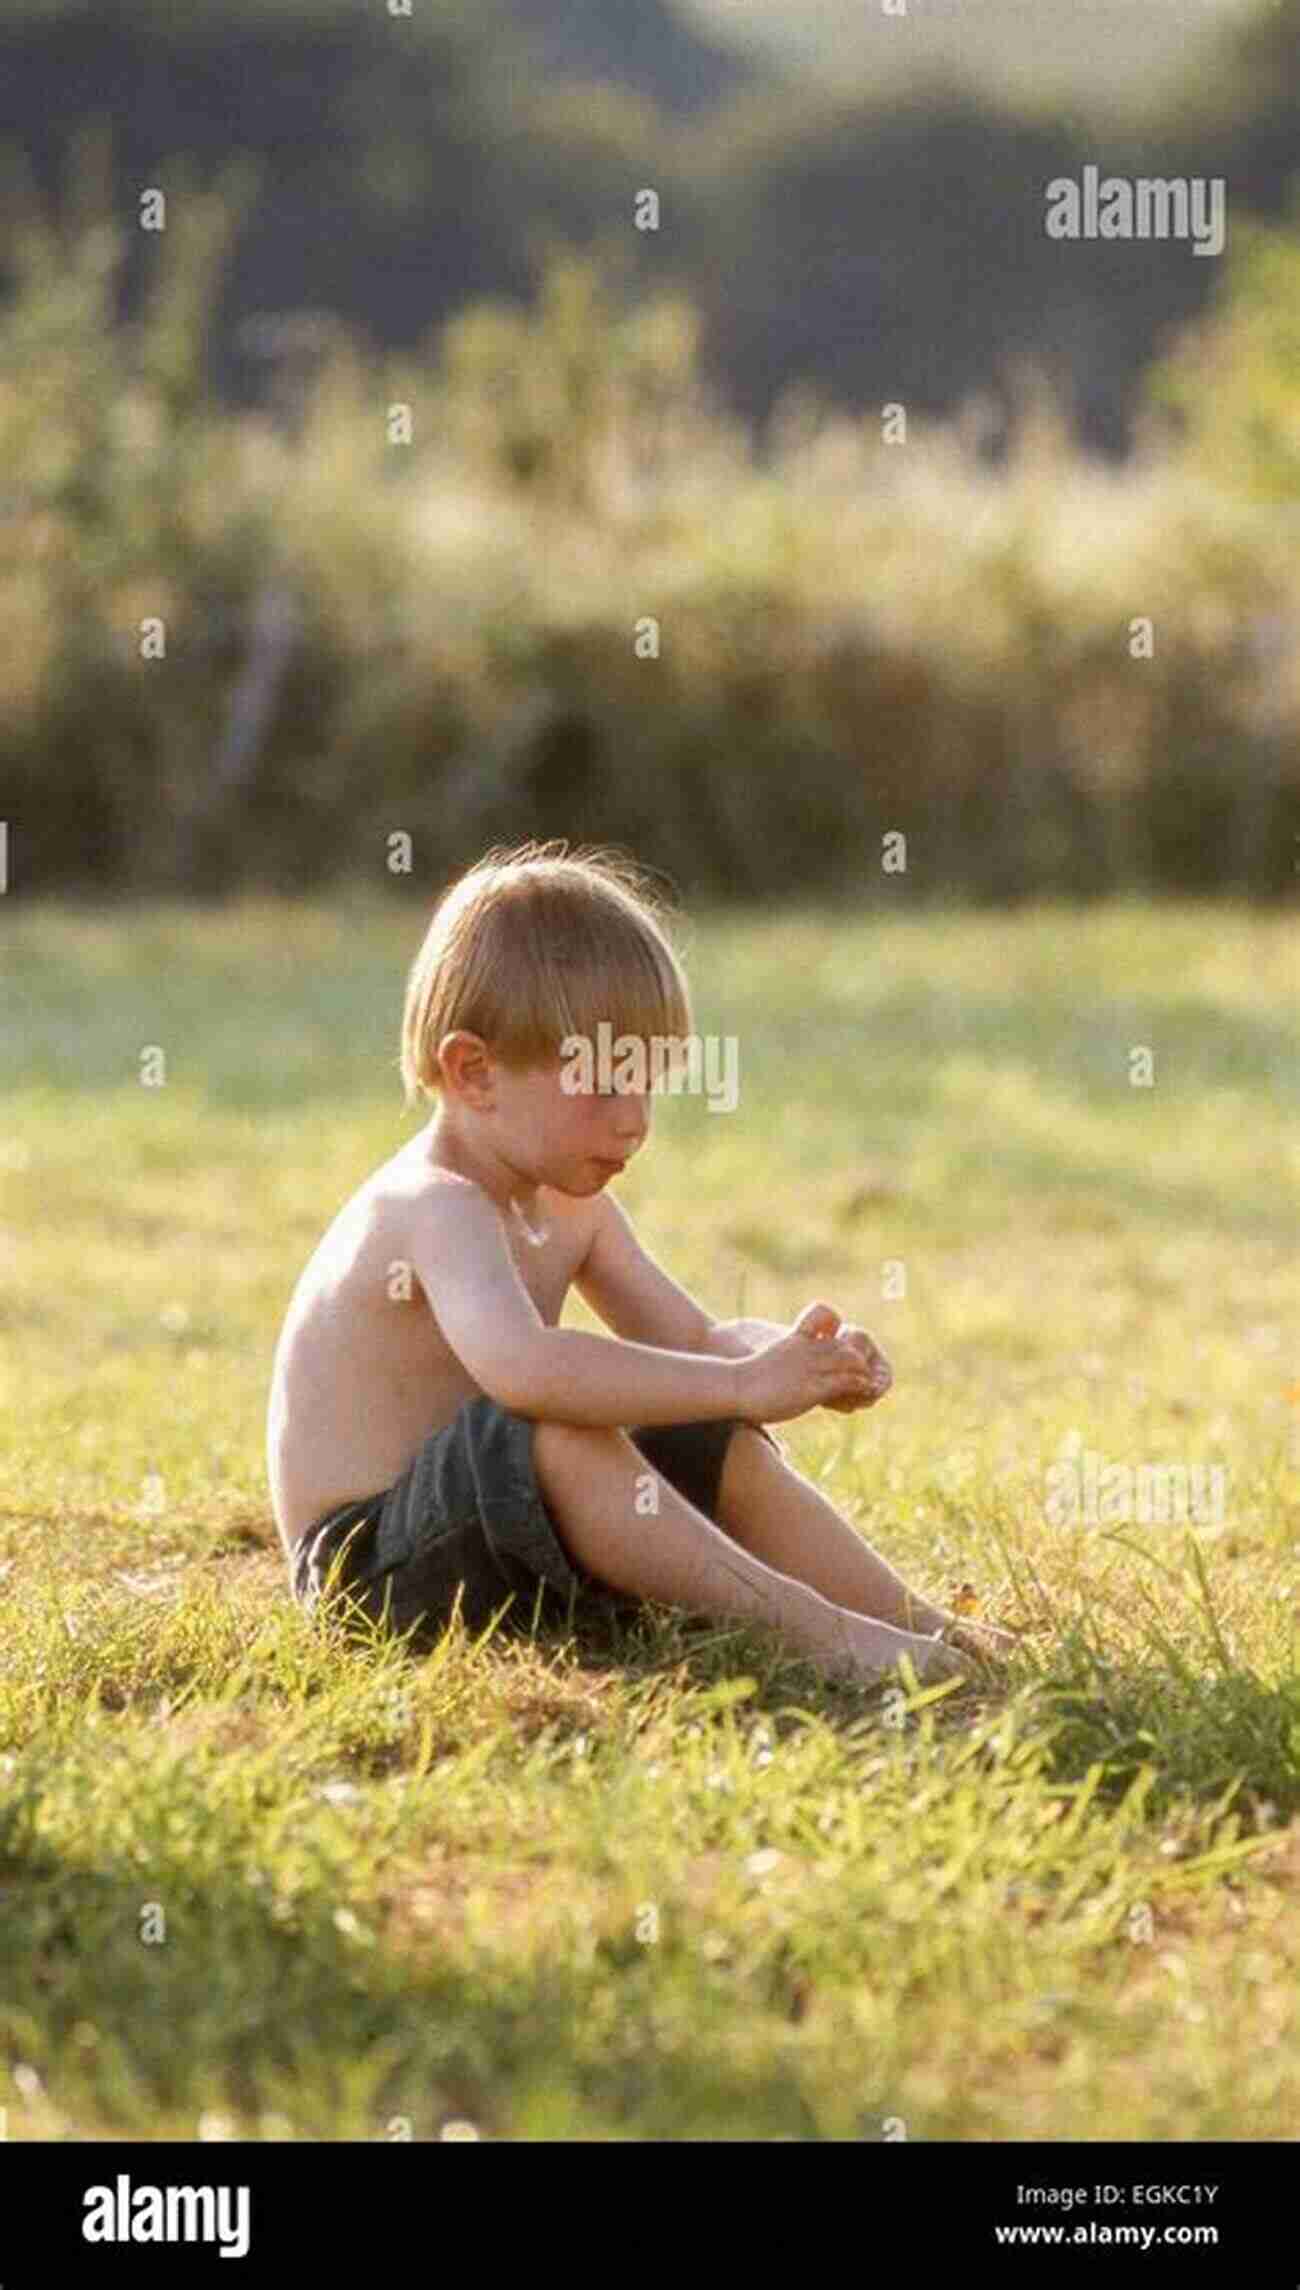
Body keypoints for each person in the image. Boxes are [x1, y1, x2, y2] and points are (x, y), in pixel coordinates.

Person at [266, 840, 1019, 1688]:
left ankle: (912, 1619)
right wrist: (740, 1383)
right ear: (474, 1072)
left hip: (501, 1551)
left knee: (696, 1415)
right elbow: (528, 1371)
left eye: (649, 1083)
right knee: (552, 1429)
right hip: (374, 1576)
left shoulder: (571, 1204)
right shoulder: (435, 1207)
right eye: (602, 1087)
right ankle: (816, 1632)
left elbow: (694, 1338)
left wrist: (797, 1362)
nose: (635, 1124)